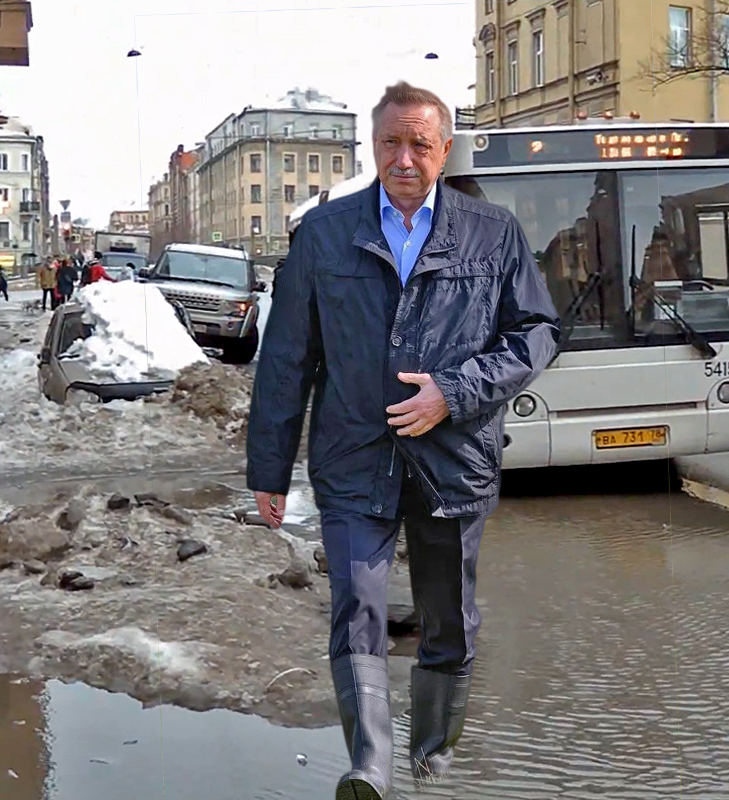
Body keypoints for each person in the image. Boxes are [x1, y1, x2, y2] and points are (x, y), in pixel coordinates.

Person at [246, 82, 560, 800]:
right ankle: (372, 767)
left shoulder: (494, 233)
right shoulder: (326, 237)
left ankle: (432, 753)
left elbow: (537, 332)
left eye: (421, 143)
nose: (406, 158)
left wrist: (456, 391)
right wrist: (269, 466)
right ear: (373, 148)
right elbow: (287, 357)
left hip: (455, 462)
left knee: (448, 617)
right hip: (353, 457)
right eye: (392, 142)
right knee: (355, 604)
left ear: (444, 149)